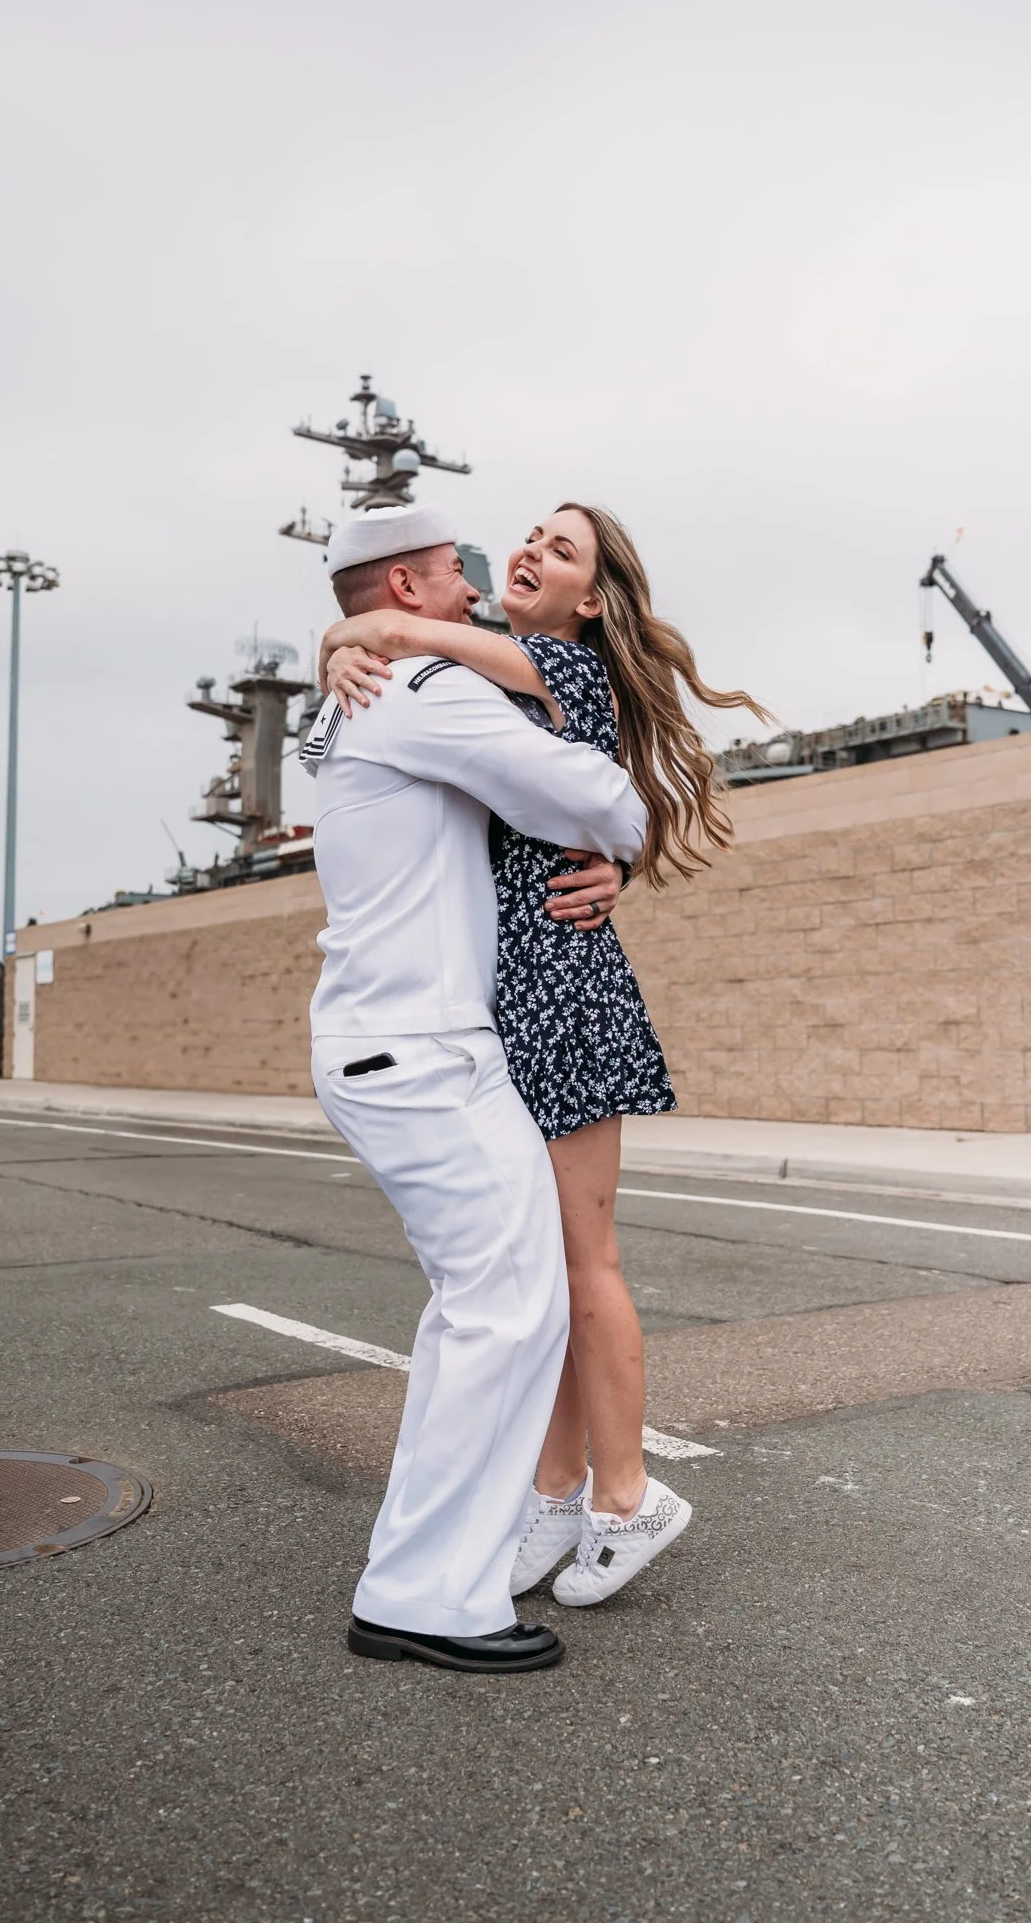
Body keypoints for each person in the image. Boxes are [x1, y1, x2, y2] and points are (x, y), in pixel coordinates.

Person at [323, 502, 769, 1607]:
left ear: (592, 600)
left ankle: (627, 1497)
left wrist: (372, 634)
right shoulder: (512, 676)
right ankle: (555, 1492)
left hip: (560, 992)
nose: (526, 554)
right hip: (511, 992)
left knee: (579, 1264)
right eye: (529, 534)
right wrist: (354, 638)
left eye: (559, 551)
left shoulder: (556, 669)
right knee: (542, 1268)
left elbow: (453, 646)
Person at [301, 501, 648, 1676]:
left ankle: (433, 1571)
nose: (477, 584)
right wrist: (620, 841)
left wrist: (349, 641)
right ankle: (425, 1595)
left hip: (405, 1045)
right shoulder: (422, 691)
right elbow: (603, 798)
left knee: (488, 1308)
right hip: (423, 1048)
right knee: (505, 1308)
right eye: (456, 573)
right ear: (405, 587)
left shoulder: (356, 688)